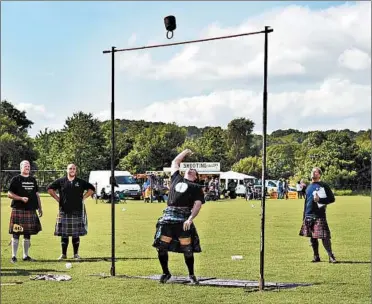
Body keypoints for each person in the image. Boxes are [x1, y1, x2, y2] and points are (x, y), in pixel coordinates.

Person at [152, 149, 205, 285]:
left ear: (196, 177)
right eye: (190, 169)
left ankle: (191, 275)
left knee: (187, 249)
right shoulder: (176, 178)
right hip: (168, 216)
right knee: (162, 246)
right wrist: (185, 152)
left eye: (194, 170)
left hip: (183, 219)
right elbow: (175, 162)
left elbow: (197, 205)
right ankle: (166, 273)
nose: (191, 170)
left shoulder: (196, 187)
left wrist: (190, 219)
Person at [47, 164, 95, 260]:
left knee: (75, 234)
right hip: (63, 210)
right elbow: (49, 189)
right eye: (70, 168)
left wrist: (84, 197)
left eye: (74, 169)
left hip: (77, 210)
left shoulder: (80, 182)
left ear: (75, 170)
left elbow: (92, 189)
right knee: (64, 234)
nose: (72, 170)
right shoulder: (61, 181)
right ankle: (63, 254)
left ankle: (76, 254)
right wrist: (57, 198)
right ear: (67, 170)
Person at [299, 167, 337, 263]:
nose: (313, 173)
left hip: (319, 214)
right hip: (308, 214)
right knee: (312, 237)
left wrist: (320, 200)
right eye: (312, 171)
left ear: (319, 175)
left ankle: (331, 256)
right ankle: (316, 256)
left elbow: (332, 199)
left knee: (324, 236)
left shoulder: (323, 185)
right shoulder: (308, 186)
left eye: (315, 172)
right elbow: (307, 201)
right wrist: (304, 216)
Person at [8, 160, 42, 263]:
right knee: (16, 233)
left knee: (28, 234)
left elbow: (37, 194)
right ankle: (13, 256)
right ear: (21, 167)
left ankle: (25, 256)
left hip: (31, 209)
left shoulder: (33, 179)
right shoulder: (16, 179)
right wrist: (20, 198)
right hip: (18, 209)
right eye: (25, 166)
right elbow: (9, 194)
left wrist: (40, 207)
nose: (27, 167)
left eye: (28, 166)